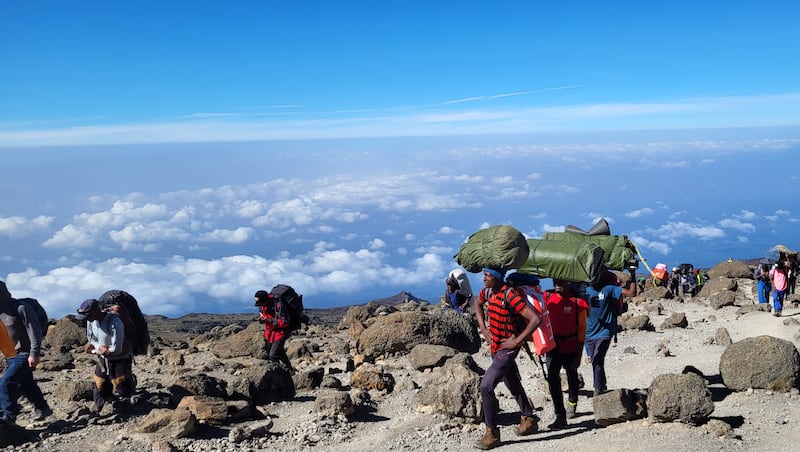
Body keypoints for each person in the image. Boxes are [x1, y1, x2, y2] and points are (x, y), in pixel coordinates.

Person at [473, 267, 541, 450]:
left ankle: (492, 433)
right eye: (484, 275)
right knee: (511, 382)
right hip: (496, 346)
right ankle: (529, 418)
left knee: (486, 385)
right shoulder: (487, 292)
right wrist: (484, 329)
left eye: (487, 275)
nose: (483, 278)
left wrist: (517, 341)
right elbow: (477, 304)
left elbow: (535, 319)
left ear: (496, 277)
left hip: (508, 349)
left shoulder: (509, 295)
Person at [0, 281, 52, 424]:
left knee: (6, 383)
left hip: (25, 353)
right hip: (10, 355)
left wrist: (34, 353)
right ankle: (42, 409)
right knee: (26, 384)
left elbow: (34, 331)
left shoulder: (21, 308)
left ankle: (8, 418)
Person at [542, 279, 589, 429]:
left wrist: (580, 352)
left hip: (571, 345)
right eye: (555, 282)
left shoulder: (577, 301)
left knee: (571, 373)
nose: (557, 285)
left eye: (561, 282)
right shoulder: (547, 297)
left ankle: (572, 403)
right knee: (552, 378)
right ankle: (560, 415)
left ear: (569, 283)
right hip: (553, 345)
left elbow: (582, 328)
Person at [584, 268, 637, 396]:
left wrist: (633, 274)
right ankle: (602, 385)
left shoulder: (608, 289)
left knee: (597, 358)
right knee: (596, 361)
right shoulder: (583, 291)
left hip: (605, 331)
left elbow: (631, 293)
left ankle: (597, 390)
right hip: (588, 333)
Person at [76, 298, 134, 414]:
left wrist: (98, 348)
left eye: (88, 316)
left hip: (120, 358)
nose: (86, 319)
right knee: (99, 383)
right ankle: (101, 408)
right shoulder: (90, 321)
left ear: (96, 312)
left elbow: (116, 348)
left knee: (121, 386)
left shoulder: (114, 322)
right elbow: (92, 340)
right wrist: (96, 348)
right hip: (103, 358)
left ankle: (128, 404)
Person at [255, 290, 294, 371]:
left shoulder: (278, 305)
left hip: (281, 332)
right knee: (280, 353)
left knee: (273, 355)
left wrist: (270, 320)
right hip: (270, 332)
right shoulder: (262, 305)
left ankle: (280, 374)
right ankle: (290, 370)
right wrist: (262, 320)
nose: (260, 305)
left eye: (261, 303)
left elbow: (285, 322)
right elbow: (263, 315)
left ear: (266, 300)